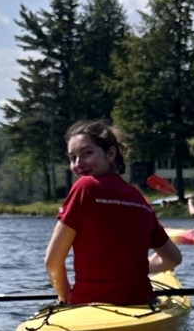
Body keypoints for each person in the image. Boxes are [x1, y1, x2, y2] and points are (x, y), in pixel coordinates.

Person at [44, 120, 182, 306]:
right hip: (142, 303)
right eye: (72, 158)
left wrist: (65, 301)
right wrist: (129, 271)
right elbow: (173, 258)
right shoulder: (139, 198)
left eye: (87, 153)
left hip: (89, 306)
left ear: (110, 153)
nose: (78, 164)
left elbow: (52, 261)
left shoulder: (84, 187)